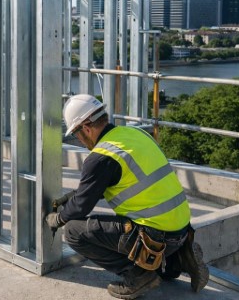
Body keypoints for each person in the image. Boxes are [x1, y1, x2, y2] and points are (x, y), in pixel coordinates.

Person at [45, 94, 209, 299]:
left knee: (73, 232)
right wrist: (74, 195)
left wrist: (59, 218)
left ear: (86, 128)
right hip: (182, 231)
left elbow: (81, 207)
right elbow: (115, 184)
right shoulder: (135, 135)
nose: (79, 140)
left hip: (154, 237)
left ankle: (138, 276)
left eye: (77, 134)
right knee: (165, 272)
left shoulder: (101, 157)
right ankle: (181, 259)